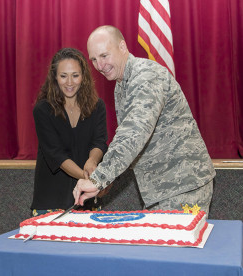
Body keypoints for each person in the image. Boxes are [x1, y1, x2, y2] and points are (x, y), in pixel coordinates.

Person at [73, 25, 216, 214]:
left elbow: (134, 133)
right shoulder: (122, 84)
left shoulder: (146, 75)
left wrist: (99, 178)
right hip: (159, 190)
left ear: (122, 46)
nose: (99, 66)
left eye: (104, 56)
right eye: (94, 59)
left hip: (183, 185)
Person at [31, 47, 108, 216]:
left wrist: (92, 161)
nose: (69, 82)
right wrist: (90, 180)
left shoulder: (97, 106)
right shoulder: (43, 109)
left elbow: (100, 141)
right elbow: (56, 155)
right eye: (63, 76)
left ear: (84, 77)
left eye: (75, 75)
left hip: (88, 200)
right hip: (51, 200)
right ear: (55, 77)